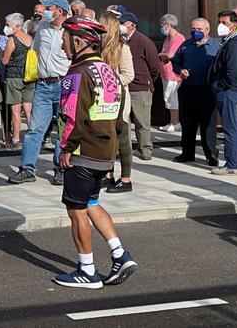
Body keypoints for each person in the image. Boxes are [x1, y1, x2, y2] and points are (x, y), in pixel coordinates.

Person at [52, 17, 137, 289]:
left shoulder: (77, 73)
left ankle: (87, 270)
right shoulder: (108, 70)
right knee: (91, 203)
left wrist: (66, 147)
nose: (63, 46)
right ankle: (120, 253)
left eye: (65, 40)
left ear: (78, 42)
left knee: (76, 210)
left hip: (82, 151)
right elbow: (120, 116)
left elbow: (71, 115)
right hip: (105, 150)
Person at [9, 0, 71, 186]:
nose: (44, 11)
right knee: (35, 129)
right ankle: (27, 169)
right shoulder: (43, 27)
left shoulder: (71, 29)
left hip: (63, 84)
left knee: (62, 131)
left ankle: (60, 169)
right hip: (43, 85)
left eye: (49, 8)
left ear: (59, 10)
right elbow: (34, 50)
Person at [209, 9, 237, 175]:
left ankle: (233, 164)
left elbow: (233, 70)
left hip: (229, 90)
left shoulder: (234, 43)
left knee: (230, 127)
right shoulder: (227, 41)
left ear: (234, 25)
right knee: (235, 126)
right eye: (219, 22)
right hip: (228, 89)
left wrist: (220, 86)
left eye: (224, 23)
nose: (221, 26)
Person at [172, 18, 220, 165]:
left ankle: (211, 154)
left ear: (207, 30)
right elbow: (175, 62)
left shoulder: (216, 46)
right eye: (193, 29)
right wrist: (180, 70)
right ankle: (187, 153)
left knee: (207, 124)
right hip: (188, 88)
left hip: (207, 89)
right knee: (187, 123)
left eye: (199, 29)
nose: (195, 32)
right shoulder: (186, 45)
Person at [99, 13, 136, 193]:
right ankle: (108, 175)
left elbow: (129, 75)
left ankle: (126, 179)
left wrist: (108, 81)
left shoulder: (123, 48)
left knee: (122, 141)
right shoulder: (99, 47)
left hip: (119, 100)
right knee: (107, 141)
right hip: (103, 101)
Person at [121, 10, 161, 162]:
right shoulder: (121, 40)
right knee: (125, 121)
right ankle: (125, 150)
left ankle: (145, 149)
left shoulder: (143, 41)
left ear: (132, 25)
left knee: (142, 121)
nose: (121, 26)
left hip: (141, 87)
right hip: (125, 85)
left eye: (123, 23)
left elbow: (155, 66)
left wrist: (148, 81)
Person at [0, 13, 34, 149]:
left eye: (8, 25)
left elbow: (5, 60)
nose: (6, 27)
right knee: (28, 110)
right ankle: (32, 137)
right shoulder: (30, 38)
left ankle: (15, 139)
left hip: (13, 76)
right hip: (29, 76)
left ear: (17, 26)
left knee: (15, 110)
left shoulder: (12, 40)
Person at [158, 14, 185, 132]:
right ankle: (171, 122)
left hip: (174, 74)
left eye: (162, 25)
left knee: (172, 97)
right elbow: (165, 54)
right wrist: (163, 55)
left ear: (168, 25)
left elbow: (170, 55)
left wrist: (161, 55)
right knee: (167, 98)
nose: (161, 27)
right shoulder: (166, 39)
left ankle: (175, 122)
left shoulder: (179, 38)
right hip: (165, 72)